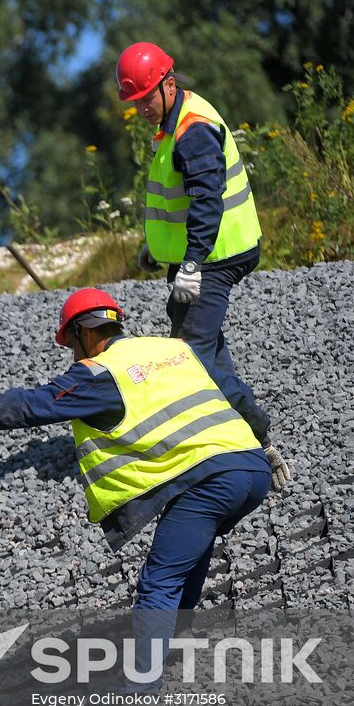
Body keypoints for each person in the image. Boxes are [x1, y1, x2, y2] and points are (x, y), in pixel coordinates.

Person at [0, 287, 274, 706]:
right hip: (250, 470)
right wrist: (265, 443)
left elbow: (31, 405)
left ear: (82, 333)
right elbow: (234, 389)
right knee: (186, 556)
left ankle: (142, 694)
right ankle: (170, 643)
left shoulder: (100, 375)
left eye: (71, 345)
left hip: (209, 479)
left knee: (159, 579)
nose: (72, 357)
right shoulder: (174, 350)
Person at [116, 41, 290, 489]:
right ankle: (233, 428)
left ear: (168, 85)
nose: (141, 111)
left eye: (145, 100)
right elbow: (177, 202)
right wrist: (158, 251)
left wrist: (191, 264)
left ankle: (256, 437)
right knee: (200, 344)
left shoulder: (192, 130)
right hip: (202, 255)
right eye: (135, 103)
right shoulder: (177, 122)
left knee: (188, 354)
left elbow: (207, 200)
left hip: (216, 256)